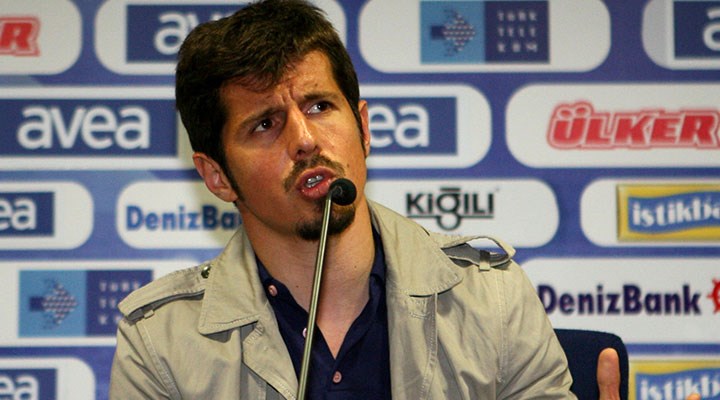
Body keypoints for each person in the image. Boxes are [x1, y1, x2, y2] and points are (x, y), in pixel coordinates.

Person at [109, 1, 701, 399]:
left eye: (319, 106)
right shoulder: (162, 344)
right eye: (265, 124)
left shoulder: (490, 297)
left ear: (363, 128)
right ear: (217, 176)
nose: (305, 139)